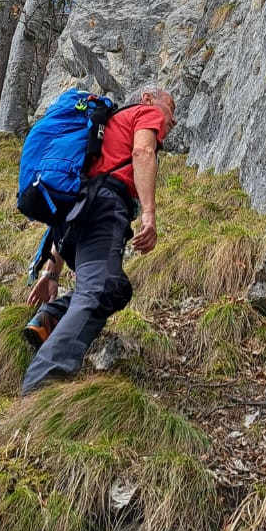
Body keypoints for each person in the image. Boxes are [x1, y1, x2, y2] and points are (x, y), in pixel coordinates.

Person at [21, 87, 176, 394]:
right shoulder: (144, 113)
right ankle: (41, 388)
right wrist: (149, 214)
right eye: (170, 107)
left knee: (116, 287)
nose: (172, 120)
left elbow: (74, 206)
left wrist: (51, 274)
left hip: (78, 218)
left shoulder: (102, 135)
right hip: (104, 209)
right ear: (147, 98)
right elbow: (143, 153)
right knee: (99, 289)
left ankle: (50, 318)